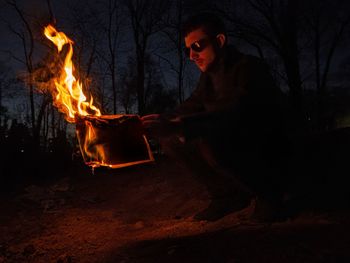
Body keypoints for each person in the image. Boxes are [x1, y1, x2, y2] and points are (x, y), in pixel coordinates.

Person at [141, 12, 290, 222]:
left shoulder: (249, 68)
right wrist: (159, 121)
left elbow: (234, 113)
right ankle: (227, 196)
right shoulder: (208, 79)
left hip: (270, 149)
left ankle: (270, 195)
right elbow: (192, 105)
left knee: (209, 135)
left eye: (198, 46)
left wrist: (179, 126)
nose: (192, 55)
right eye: (187, 50)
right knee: (171, 140)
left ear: (219, 41)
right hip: (239, 140)